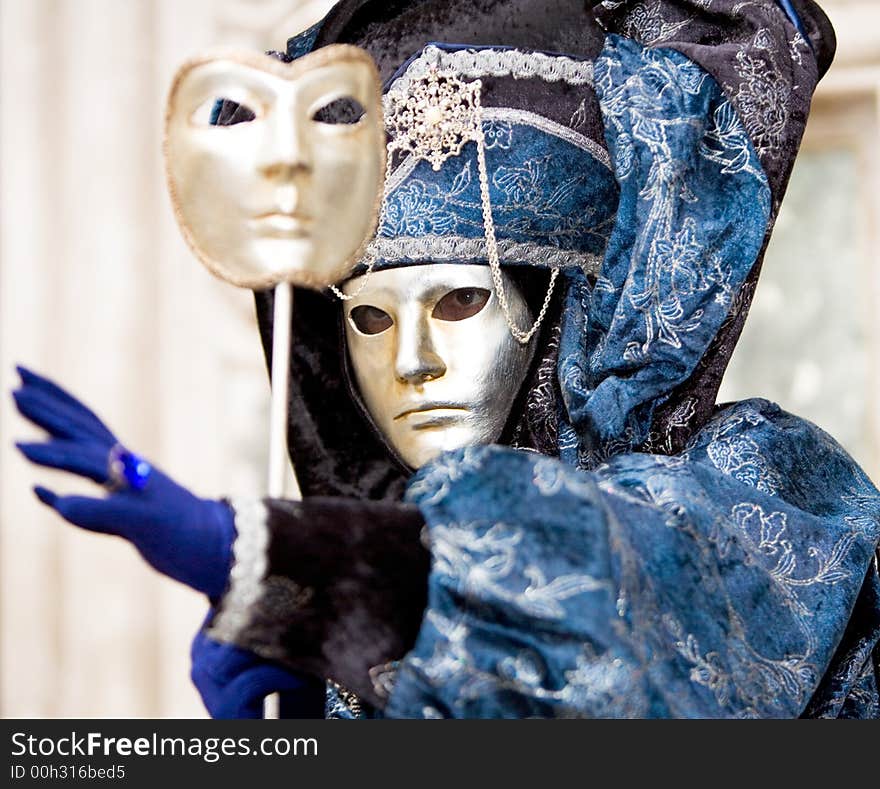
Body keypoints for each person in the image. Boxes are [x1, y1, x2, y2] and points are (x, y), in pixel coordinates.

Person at [14, 0, 880, 718]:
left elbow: (611, 609)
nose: (413, 362)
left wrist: (297, 567)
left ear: (555, 312)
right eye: (369, 318)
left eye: (462, 301)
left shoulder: (762, 487)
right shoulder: (347, 640)